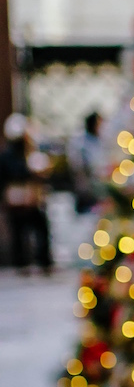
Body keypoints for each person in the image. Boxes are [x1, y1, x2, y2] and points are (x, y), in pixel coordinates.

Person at [1, 113, 53, 274]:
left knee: (38, 228)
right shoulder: (10, 156)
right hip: (17, 199)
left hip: (31, 198)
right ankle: (21, 262)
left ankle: (41, 260)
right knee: (19, 231)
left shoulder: (29, 152)